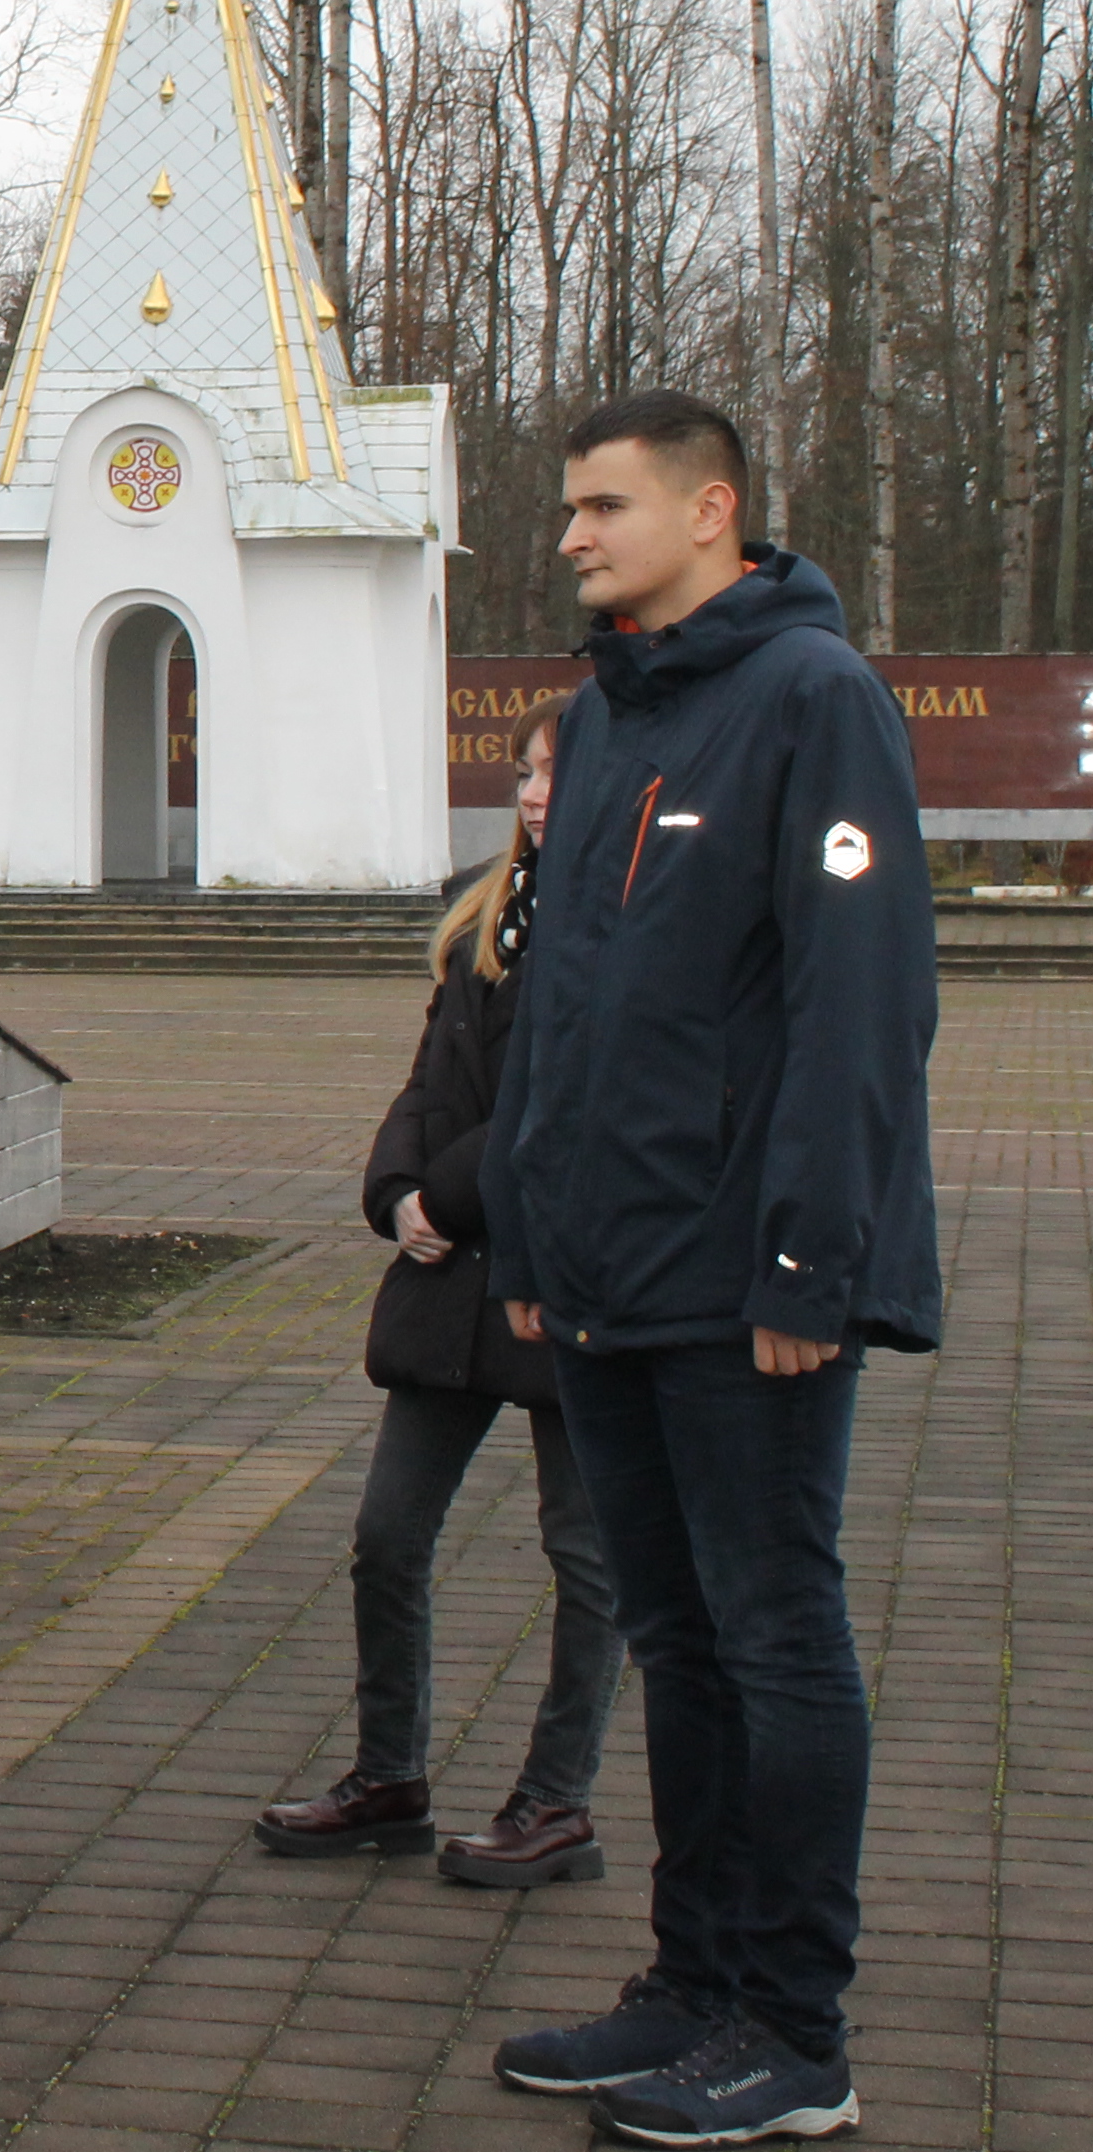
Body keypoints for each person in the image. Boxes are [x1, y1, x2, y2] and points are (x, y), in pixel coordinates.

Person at [481, 393, 937, 2148]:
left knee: (773, 1635)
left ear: (712, 510)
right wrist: (528, 1224)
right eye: (569, 509)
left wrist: (812, 1259)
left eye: (604, 506)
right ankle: (688, 1981)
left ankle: (792, 2030)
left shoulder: (812, 699)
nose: (575, 535)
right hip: (601, 1267)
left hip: (746, 1279)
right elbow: (557, 994)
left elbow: (859, 1006)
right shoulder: (608, 709)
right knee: (672, 1636)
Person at [254, 692, 622, 1882]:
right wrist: (395, 1187)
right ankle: (390, 1775)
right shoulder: (485, 917)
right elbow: (431, 1079)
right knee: (387, 1533)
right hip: (451, 1282)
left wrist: (444, 1197)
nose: (531, 793)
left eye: (557, 775)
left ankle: (556, 1800)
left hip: (568, 1272)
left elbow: (551, 1112)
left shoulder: (624, 923)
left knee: (586, 1554)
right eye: (525, 771)